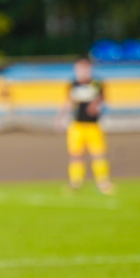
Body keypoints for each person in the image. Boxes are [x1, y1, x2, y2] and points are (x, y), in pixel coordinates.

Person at [55, 57, 114, 195]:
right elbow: (68, 102)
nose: (82, 71)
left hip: (94, 125)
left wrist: (96, 105)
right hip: (77, 125)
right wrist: (60, 117)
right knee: (76, 155)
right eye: (79, 68)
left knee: (98, 154)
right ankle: (76, 182)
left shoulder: (97, 84)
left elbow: (103, 99)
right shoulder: (73, 84)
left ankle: (103, 182)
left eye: (84, 68)